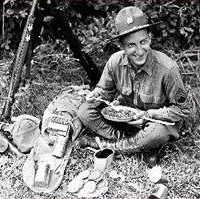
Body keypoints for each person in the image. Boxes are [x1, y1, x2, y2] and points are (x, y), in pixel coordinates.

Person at [76, 6, 190, 154]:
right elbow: (104, 92)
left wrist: (149, 115)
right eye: (131, 45)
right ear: (121, 46)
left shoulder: (168, 69)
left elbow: (182, 109)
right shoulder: (114, 62)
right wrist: (96, 96)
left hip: (154, 123)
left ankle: (106, 145)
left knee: (157, 133)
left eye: (143, 42)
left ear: (150, 37)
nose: (140, 51)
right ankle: (134, 143)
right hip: (127, 122)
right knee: (85, 111)